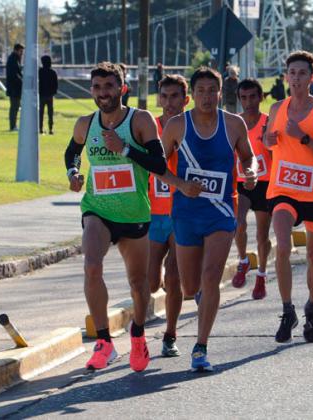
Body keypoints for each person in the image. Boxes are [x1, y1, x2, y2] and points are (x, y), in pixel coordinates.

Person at [64, 61, 199, 372]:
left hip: (135, 212)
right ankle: (104, 342)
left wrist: (124, 148)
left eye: (109, 86)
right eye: (97, 87)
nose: (102, 93)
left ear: (122, 88)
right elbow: (71, 152)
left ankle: (138, 335)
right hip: (97, 208)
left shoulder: (139, 120)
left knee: (140, 284)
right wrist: (73, 171)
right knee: (92, 265)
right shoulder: (86, 123)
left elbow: (157, 161)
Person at [159, 66, 257, 372]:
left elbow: (247, 156)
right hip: (186, 213)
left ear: (219, 93)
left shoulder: (233, 124)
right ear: (193, 95)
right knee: (190, 286)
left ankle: (200, 347)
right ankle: (201, 295)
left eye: (211, 91)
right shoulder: (176, 126)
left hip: (222, 211)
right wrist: (181, 185)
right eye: (200, 91)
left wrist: (250, 171)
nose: (206, 97)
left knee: (212, 276)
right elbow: (158, 167)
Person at [263, 50, 313, 345]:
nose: (296, 78)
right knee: (282, 246)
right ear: (286, 76)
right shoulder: (276, 108)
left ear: (312, 78)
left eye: (302, 73)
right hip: (283, 189)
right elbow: (272, 144)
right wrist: (269, 141)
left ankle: (311, 307)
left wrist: (304, 138)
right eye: (292, 72)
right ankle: (287, 310)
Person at [147, 74, 190, 358]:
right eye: (165, 96)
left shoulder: (194, 128)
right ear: (159, 98)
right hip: (150, 214)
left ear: (186, 99)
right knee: (150, 283)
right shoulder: (148, 127)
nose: (170, 102)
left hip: (181, 213)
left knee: (174, 277)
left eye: (176, 96)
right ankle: (166, 281)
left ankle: (170, 334)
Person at [231, 78, 273, 300]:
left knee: (262, 234)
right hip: (241, 181)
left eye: (253, 97)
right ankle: (243, 260)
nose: (248, 102)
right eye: (244, 97)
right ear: (239, 99)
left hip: (265, 184)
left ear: (261, 97)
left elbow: (277, 153)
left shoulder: (269, 122)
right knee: (238, 223)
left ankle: (262, 274)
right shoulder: (234, 123)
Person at [5, 43, 24, 131]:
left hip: (15, 88)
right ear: (16, 50)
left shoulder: (14, 59)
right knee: (14, 107)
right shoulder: (13, 59)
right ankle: (13, 126)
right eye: (21, 51)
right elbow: (14, 75)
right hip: (14, 88)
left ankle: (13, 125)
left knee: (15, 107)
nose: (22, 53)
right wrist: (22, 82)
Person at [38, 55, 58, 135]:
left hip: (41, 95)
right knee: (50, 113)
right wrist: (53, 92)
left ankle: (40, 129)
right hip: (50, 95)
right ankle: (50, 129)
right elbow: (55, 84)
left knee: (41, 113)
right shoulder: (53, 72)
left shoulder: (40, 72)